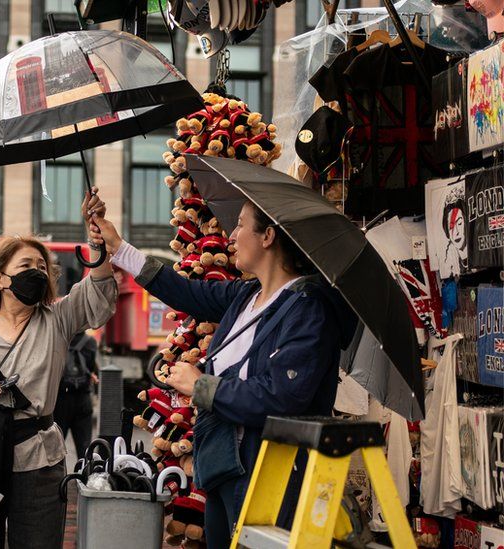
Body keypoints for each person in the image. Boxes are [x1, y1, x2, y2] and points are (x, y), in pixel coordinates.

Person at [90, 201, 357, 548]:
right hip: (224, 464)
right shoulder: (247, 295)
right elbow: (184, 291)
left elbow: (282, 396)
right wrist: (118, 248)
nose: (230, 235)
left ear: (268, 236)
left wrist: (202, 386)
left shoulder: (308, 308)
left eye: (241, 225)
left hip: (268, 472)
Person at [0, 189, 117, 548]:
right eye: (25, 267)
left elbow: (98, 295)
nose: (36, 272)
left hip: (40, 459)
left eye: (40, 267)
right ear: (0, 279)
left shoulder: (58, 319)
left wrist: (96, 237)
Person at [54, 330, 99, 460]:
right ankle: (84, 477)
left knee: (56, 447)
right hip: (83, 398)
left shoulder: (57, 341)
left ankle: (59, 479)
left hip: (60, 399)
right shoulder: (90, 342)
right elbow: (90, 368)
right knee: (84, 447)